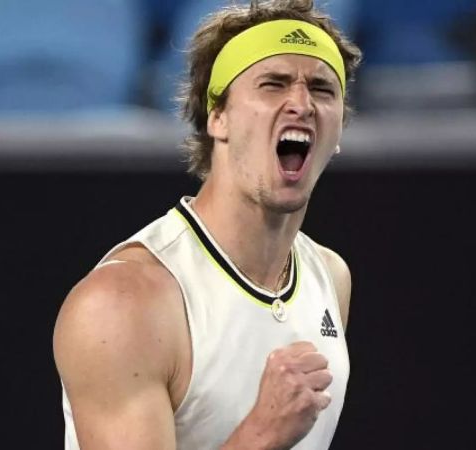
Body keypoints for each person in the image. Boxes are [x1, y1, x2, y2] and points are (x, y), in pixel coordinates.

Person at [53, 0, 362, 448]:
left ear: (338, 132)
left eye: (321, 88)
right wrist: (263, 433)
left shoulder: (331, 278)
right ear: (217, 117)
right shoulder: (122, 303)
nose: (301, 103)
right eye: (273, 84)